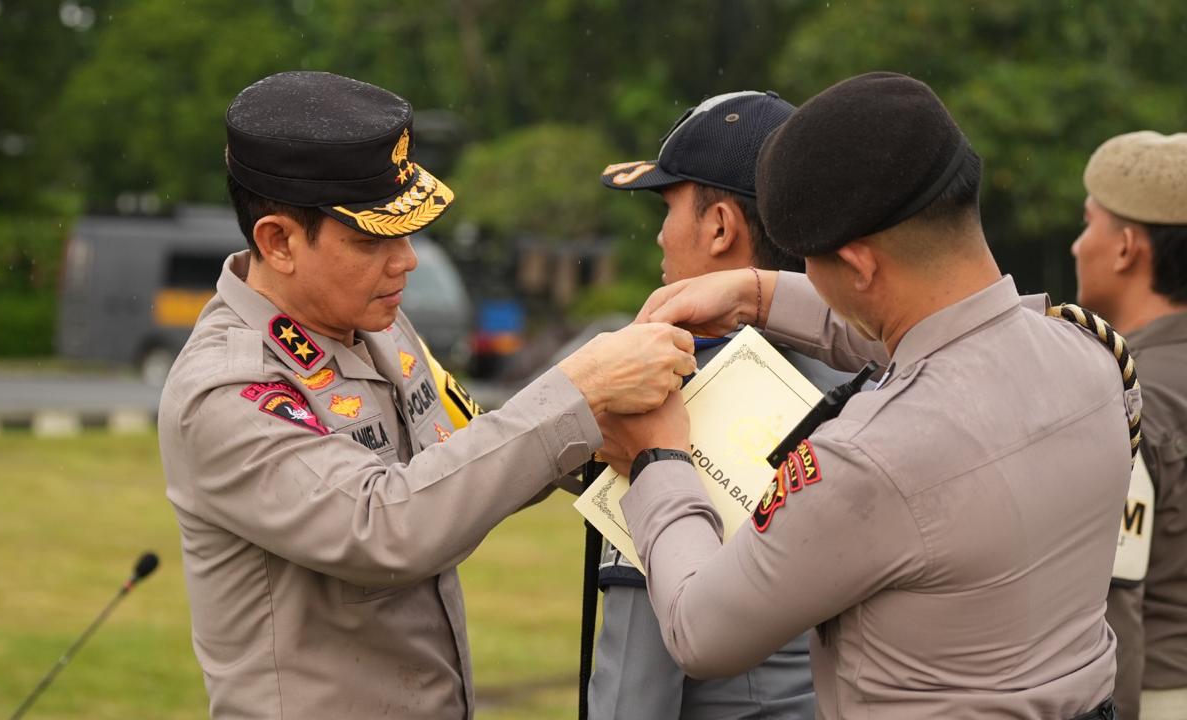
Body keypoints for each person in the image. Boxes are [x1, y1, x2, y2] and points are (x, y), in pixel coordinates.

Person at [158, 71, 697, 720]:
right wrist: (579, 390)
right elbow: (385, 528)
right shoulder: (227, 388)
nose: (406, 260)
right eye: (372, 239)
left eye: (407, 231)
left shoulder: (371, 321)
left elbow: (461, 450)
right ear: (278, 242)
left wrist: (609, 432)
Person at [599, 72, 1139, 718]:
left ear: (858, 265)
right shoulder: (1091, 359)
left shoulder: (864, 459)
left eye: (810, 260)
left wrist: (658, 460)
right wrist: (756, 293)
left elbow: (700, 630)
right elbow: (935, 338)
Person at [589, 90, 839, 720]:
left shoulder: (679, 404)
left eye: (668, 207)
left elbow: (633, 687)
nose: (659, 234)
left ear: (721, 226)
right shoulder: (864, 376)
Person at [1072, 130, 1187, 720]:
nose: (1076, 245)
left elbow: (1115, 603)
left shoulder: (1126, 392)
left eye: (1087, 223)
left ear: (1124, 248)